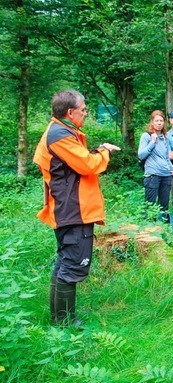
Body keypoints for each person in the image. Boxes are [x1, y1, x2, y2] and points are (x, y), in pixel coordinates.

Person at [33, 90, 120, 328]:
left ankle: (60, 319)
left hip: (69, 209)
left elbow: (76, 163)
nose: (85, 113)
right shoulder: (60, 134)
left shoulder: (63, 131)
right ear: (70, 112)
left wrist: (97, 149)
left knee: (64, 264)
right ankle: (65, 323)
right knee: (71, 266)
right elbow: (87, 165)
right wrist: (104, 151)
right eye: (83, 109)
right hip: (73, 211)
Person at [138, 110, 173, 222]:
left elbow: (166, 157)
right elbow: (141, 155)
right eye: (157, 121)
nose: (159, 123)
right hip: (152, 175)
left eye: (161, 120)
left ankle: (164, 229)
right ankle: (148, 229)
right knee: (150, 204)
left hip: (166, 175)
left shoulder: (165, 137)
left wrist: (172, 169)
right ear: (152, 122)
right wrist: (152, 142)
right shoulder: (146, 136)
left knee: (164, 205)